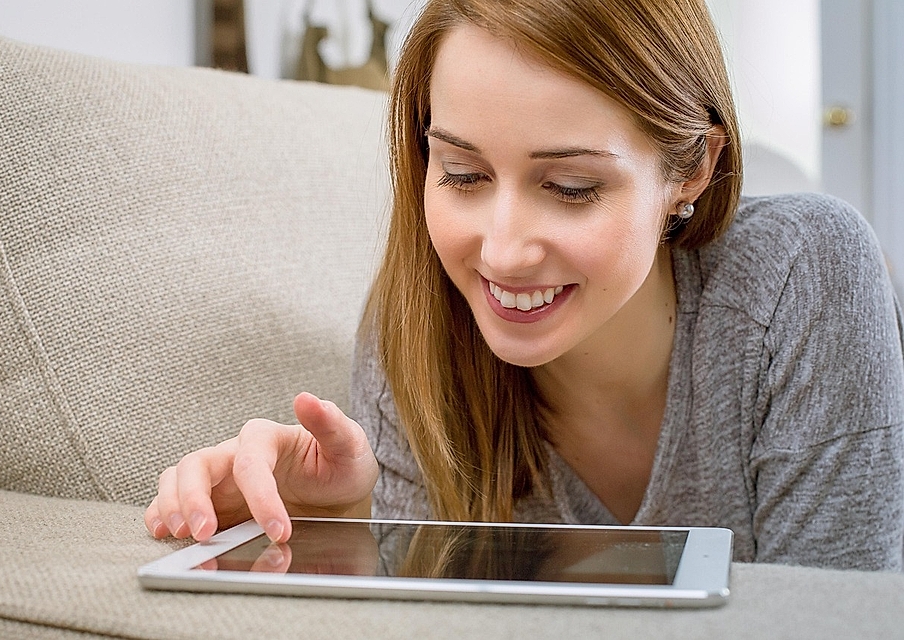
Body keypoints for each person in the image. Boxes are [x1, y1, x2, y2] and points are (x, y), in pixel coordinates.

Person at [145, 0, 904, 570]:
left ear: (692, 170)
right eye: (464, 174)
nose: (502, 254)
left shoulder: (806, 275)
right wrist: (343, 531)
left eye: (571, 186)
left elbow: (838, 613)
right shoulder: (416, 326)